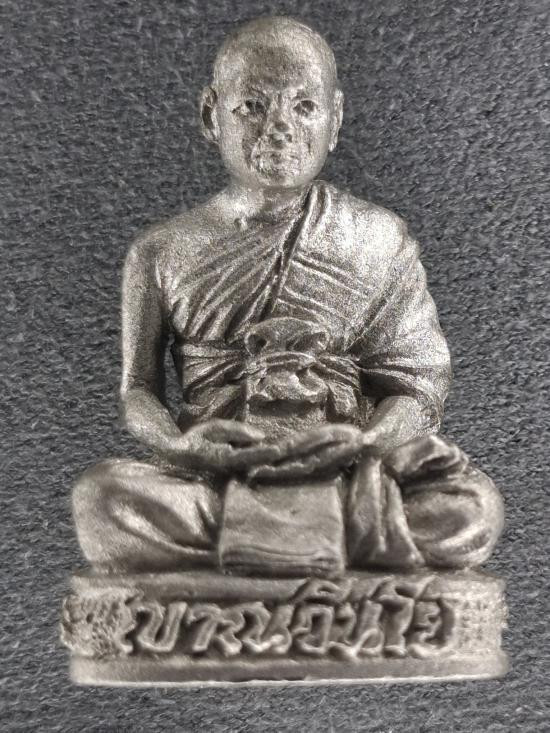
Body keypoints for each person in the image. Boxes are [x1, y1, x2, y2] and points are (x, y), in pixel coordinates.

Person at [73, 17, 503, 575]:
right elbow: (137, 390)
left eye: (304, 107)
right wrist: (182, 448)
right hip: (220, 475)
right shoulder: (160, 251)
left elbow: (416, 389)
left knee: (472, 510)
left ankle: (257, 555)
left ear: (335, 119)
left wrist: (367, 441)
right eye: (252, 107)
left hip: (347, 475)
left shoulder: (377, 238)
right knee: (102, 498)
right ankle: (309, 548)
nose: (279, 128)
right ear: (211, 115)